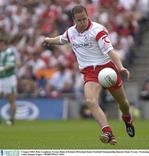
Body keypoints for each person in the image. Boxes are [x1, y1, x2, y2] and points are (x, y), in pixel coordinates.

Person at [42, 5, 135, 145]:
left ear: (88, 16)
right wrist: (49, 40)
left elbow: (110, 51)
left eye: (84, 19)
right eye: (79, 20)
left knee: (123, 104)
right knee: (90, 102)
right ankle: (108, 132)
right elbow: (61, 39)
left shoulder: (97, 30)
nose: (83, 22)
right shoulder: (71, 32)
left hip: (107, 69)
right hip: (90, 73)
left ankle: (127, 119)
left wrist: (120, 67)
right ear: (74, 20)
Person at [0, 32, 17, 125]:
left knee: (11, 99)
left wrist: (2, 68)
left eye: (2, 44)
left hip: (9, 78)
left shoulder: (9, 52)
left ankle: (12, 119)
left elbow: (10, 65)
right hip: (1, 78)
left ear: (5, 44)